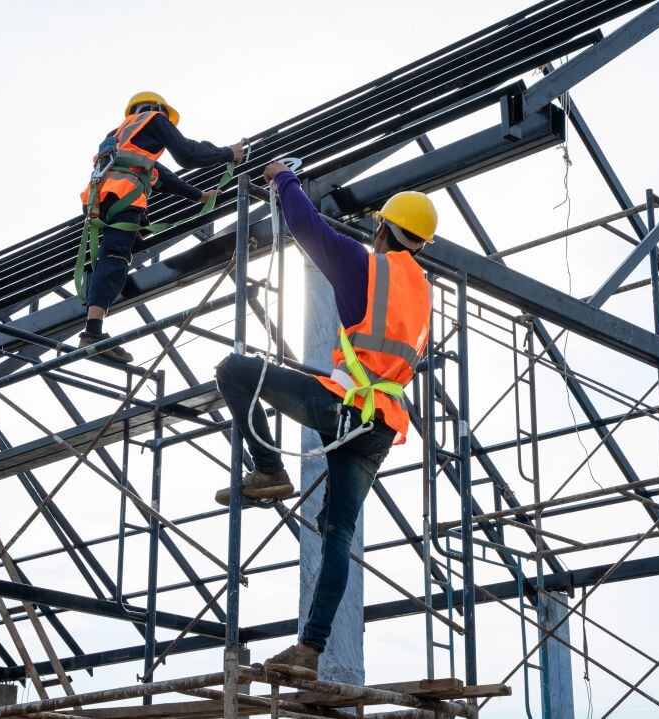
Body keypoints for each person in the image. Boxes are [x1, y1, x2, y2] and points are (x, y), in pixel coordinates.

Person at [212, 161, 437, 679]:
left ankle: (269, 468)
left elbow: (307, 227)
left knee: (234, 372)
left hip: (343, 408)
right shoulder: (420, 290)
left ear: (382, 229)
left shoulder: (366, 266)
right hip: (379, 425)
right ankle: (309, 650)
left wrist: (282, 178)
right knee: (337, 533)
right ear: (420, 244)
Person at [79, 91, 244, 362]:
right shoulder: (155, 119)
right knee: (116, 257)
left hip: (102, 201)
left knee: (111, 256)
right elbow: (188, 153)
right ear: (158, 109)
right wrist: (228, 153)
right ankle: (93, 332)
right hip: (124, 196)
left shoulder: (118, 135)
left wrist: (198, 196)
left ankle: (93, 329)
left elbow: (159, 174)